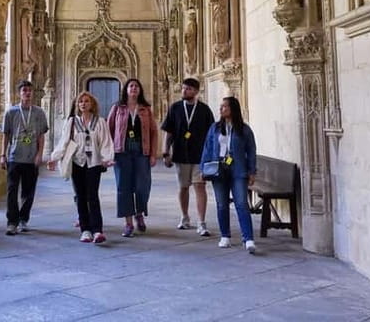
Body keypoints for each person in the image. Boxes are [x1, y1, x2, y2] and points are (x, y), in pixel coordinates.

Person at [48, 92, 114, 243]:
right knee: (81, 196)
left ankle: (97, 230)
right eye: (81, 102)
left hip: (93, 163)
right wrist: (54, 158)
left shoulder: (100, 122)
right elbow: (64, 141)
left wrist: (107, 158)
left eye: (86, 101)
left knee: (93, 196)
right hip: (77, 162)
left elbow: (105, 141)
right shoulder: (72, 122)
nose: (83, 104)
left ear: (92, 104)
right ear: (77, 105)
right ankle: (85, 230)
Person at [200, 96, 258, 253]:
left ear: (233, 109)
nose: (221, 109)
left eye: (225, 106)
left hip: (238, 170)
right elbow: (207, 148)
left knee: (241, 203)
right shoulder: (215, 128)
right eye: (221, 106)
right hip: (219, 169)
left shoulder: (244, 129)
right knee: (221, 204)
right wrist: (203, 168)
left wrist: (252, 171)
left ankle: (248, 239)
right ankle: (225, 235)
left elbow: (251, 150)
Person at [161, 78, 215, 236]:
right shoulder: (175, 108)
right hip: (180, 154)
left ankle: (201, 222)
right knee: (183, 187)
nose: (184, 91)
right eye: (184, 88)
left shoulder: (204, 110)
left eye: (189, 89)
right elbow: (168, 132)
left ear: (196, 91)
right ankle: (184, 217)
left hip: (200, 155)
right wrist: (165, 152)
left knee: (200, 186)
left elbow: (211, 134)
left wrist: (211, 155)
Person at [107, 79, 158, 237]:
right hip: (122, 153)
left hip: (141, 152)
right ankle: (128, 223)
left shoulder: (145, 109)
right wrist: (109, 153)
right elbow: (109, 130)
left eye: (136, 86)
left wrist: (153, 154)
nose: (134, 88)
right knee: (124, 187)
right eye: (131, 86)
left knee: (142, 186)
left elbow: (153, 132)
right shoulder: (117, 108)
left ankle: (139, 213)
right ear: (126, 90)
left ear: (140, 90)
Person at [0, 80, 49, 235]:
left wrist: (40, 154)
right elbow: (6, 134)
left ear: (33, 93)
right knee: (12, 191)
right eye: (24, 91)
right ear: (19, 93)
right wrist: (3, 154)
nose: (27, 93)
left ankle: (23, 219)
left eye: (29, 90)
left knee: (28, 192)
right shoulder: (11, 112)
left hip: (31, 158)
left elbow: (41, 136)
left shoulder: (39, 113)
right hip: (14, 157)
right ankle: (11, 222)